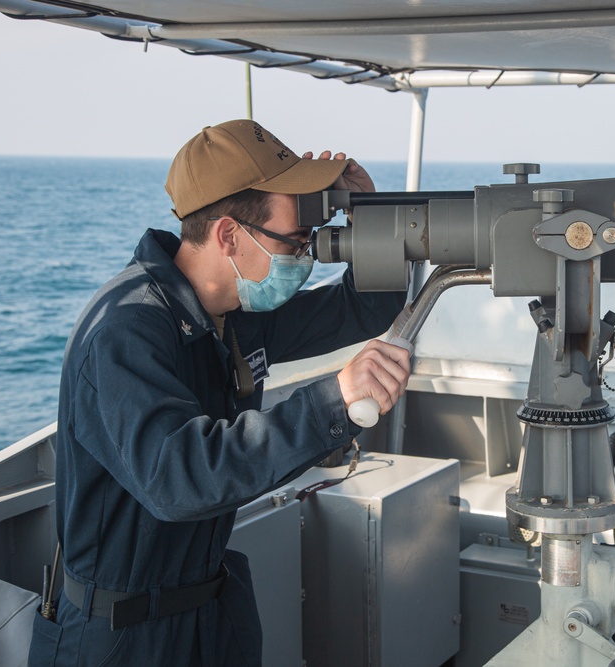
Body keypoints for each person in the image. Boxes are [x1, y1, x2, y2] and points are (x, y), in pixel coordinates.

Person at [28, 119, 411, 666]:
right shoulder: (125, 332)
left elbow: (363, 307)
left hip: (207, 609)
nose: (305, 255)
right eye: (294, 240)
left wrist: (372, 217)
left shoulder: (235, 313)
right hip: (120, 636)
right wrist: (335, 399)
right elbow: (178, 478)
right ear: (229, 234)